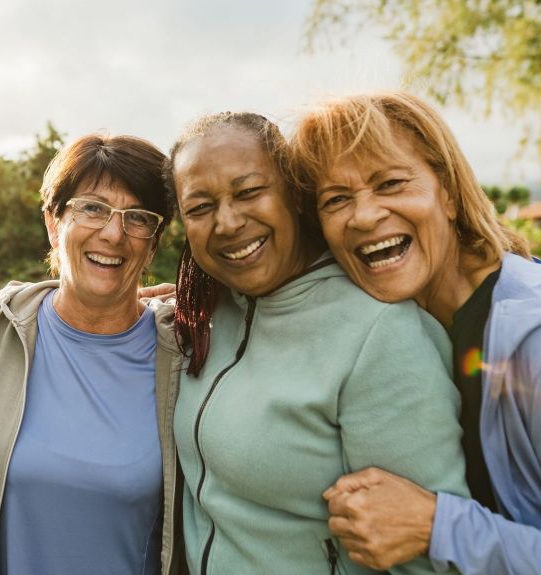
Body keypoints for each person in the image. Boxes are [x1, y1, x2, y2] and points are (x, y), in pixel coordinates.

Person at [293, 91, 541, 573]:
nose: (365, 216)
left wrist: (438, 526)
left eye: (390, 183)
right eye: (336, 199)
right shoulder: (419, 324)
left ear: (449, 194)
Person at [163, 111, 468, 574]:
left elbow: (428, 559)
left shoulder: (380, 333)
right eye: (200, 208)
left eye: (248, 192)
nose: (226, 222)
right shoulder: (209, 315)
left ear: (295, 197)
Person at [0, 133, 186, 575]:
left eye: (138, 218)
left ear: (153, 242)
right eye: (91, 208)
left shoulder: (186, 353)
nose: (114, 233)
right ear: (54, 224)